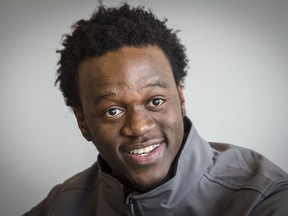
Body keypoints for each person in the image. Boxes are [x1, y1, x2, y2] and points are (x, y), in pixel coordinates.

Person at [24, 3, 288, 216]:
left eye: (156, 101)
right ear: (83, 123)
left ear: (181, 98)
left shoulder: (262, 198)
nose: (139, 127)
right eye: (113, 111)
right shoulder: (61, 205)